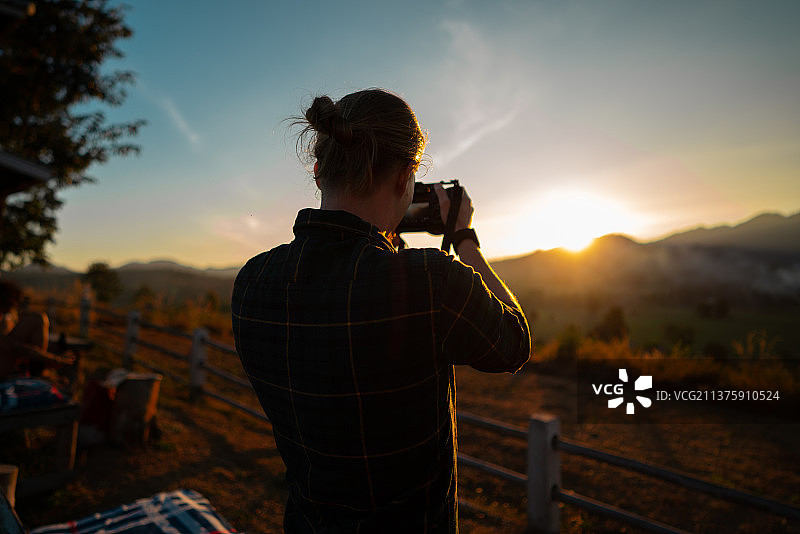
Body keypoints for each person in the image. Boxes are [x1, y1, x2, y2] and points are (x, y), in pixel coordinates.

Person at [232, 88, 531, 533]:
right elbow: (513, 345)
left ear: (318, 173)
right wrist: (465, 238)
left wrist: (386, 242)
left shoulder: (252, 281)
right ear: (404, 179)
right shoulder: (432, 282)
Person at [0, 280, 69, 379]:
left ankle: (39, 370)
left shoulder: (7, 319)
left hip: (8, 361)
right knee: (37, 318)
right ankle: (39, 372)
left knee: (38, 318)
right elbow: (18, 348)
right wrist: (55, 359)